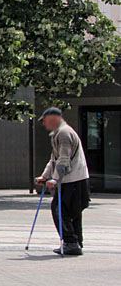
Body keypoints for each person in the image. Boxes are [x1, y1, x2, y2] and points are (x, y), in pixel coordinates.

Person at [35, 107, 90, 256]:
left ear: (53, 119)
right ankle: (75, 242)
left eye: (45, 121)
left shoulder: (64, 133)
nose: (44, 125)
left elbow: (64, 160)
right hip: (74, 179)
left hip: (73, 180)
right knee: (72, 211)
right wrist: (45, 176)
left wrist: (55, 179)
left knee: (60, 210)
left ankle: (71, 242)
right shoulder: (58, 134)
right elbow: (54, 159)